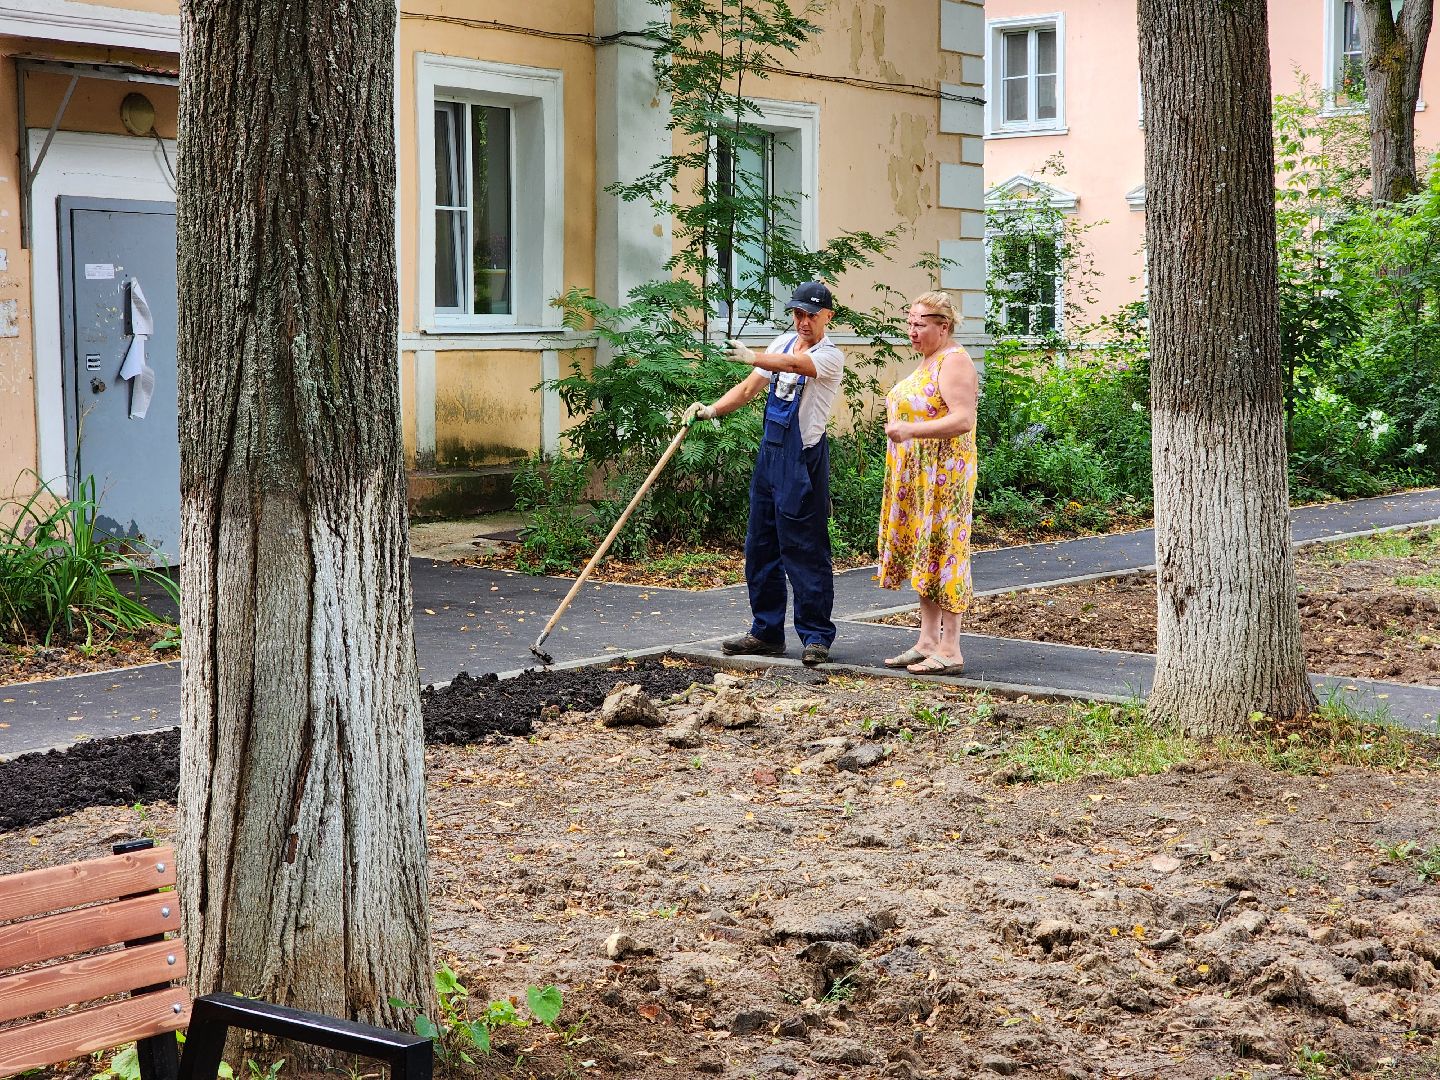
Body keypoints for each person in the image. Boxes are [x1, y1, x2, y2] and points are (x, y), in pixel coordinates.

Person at [691, 281, 845, 666]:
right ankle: (766, 632)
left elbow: (795, 366)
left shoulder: (830, 357)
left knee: (805, 549)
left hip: (803, 462)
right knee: (760, 547)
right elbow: (746, 390)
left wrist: (752, 356)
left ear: (828, 316)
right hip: (770, 458)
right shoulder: (779, 344)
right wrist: (710, 410)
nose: (803, 321)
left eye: (811, 315)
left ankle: (816, 636)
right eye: (797, 313)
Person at [875, 291, 979, 675]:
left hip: (944, 477)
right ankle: (928, 641)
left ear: (943, 326)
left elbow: (963, 419)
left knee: (946, 552)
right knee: (926, 552)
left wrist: (911, 430)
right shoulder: (928, 361)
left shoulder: (955, 362)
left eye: (920, 324)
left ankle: (951, 648)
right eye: (910, 323)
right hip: (918, 476)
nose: (912, 331)